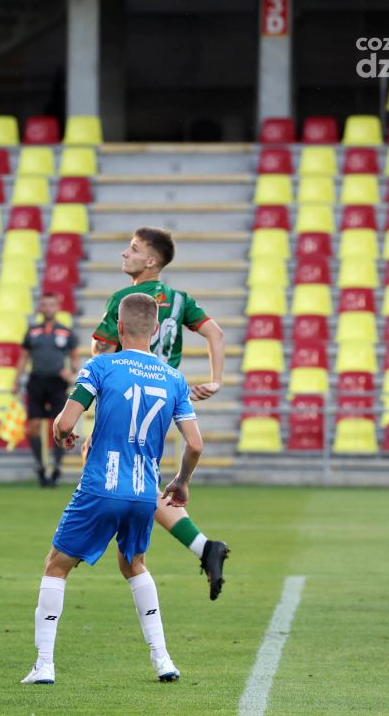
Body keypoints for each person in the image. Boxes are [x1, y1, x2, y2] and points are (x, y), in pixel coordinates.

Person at [22, 293, 203, 685]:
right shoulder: (174, 378)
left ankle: (44, 664)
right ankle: (163, 659)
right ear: (156, 329)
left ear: (119, 328)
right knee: (134, 564)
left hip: (102, 485)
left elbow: (65, 422)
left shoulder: (101, 365)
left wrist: (62, 436)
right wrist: (182, 481)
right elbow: (195, 443)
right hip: (144, 492)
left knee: (57, 565)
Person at [90, 227, 230, 599]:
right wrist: (216, 381)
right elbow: (216, 334)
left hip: (126, 397)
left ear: (151, 261)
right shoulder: (180, 300)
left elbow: (101, 353)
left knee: (119, 475)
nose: (125, 254)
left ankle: (101, 549)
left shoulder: (126, 300)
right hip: (163, 397)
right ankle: (202, 547)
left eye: (133, 249)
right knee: (140, 479)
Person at [15, 292, 79, 487]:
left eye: (52, 304)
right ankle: (40, 465)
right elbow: (24, 357)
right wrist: (15, 380)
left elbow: (75, 359)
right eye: (45, 304)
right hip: (36, 381)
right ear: (40, 308)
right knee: (33, 425)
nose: (48, 308)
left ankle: (56, 466)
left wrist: (71, 372)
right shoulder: (32, 331)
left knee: (61, 426)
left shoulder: (66, 332)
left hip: (57, 383)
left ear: (57, 307)